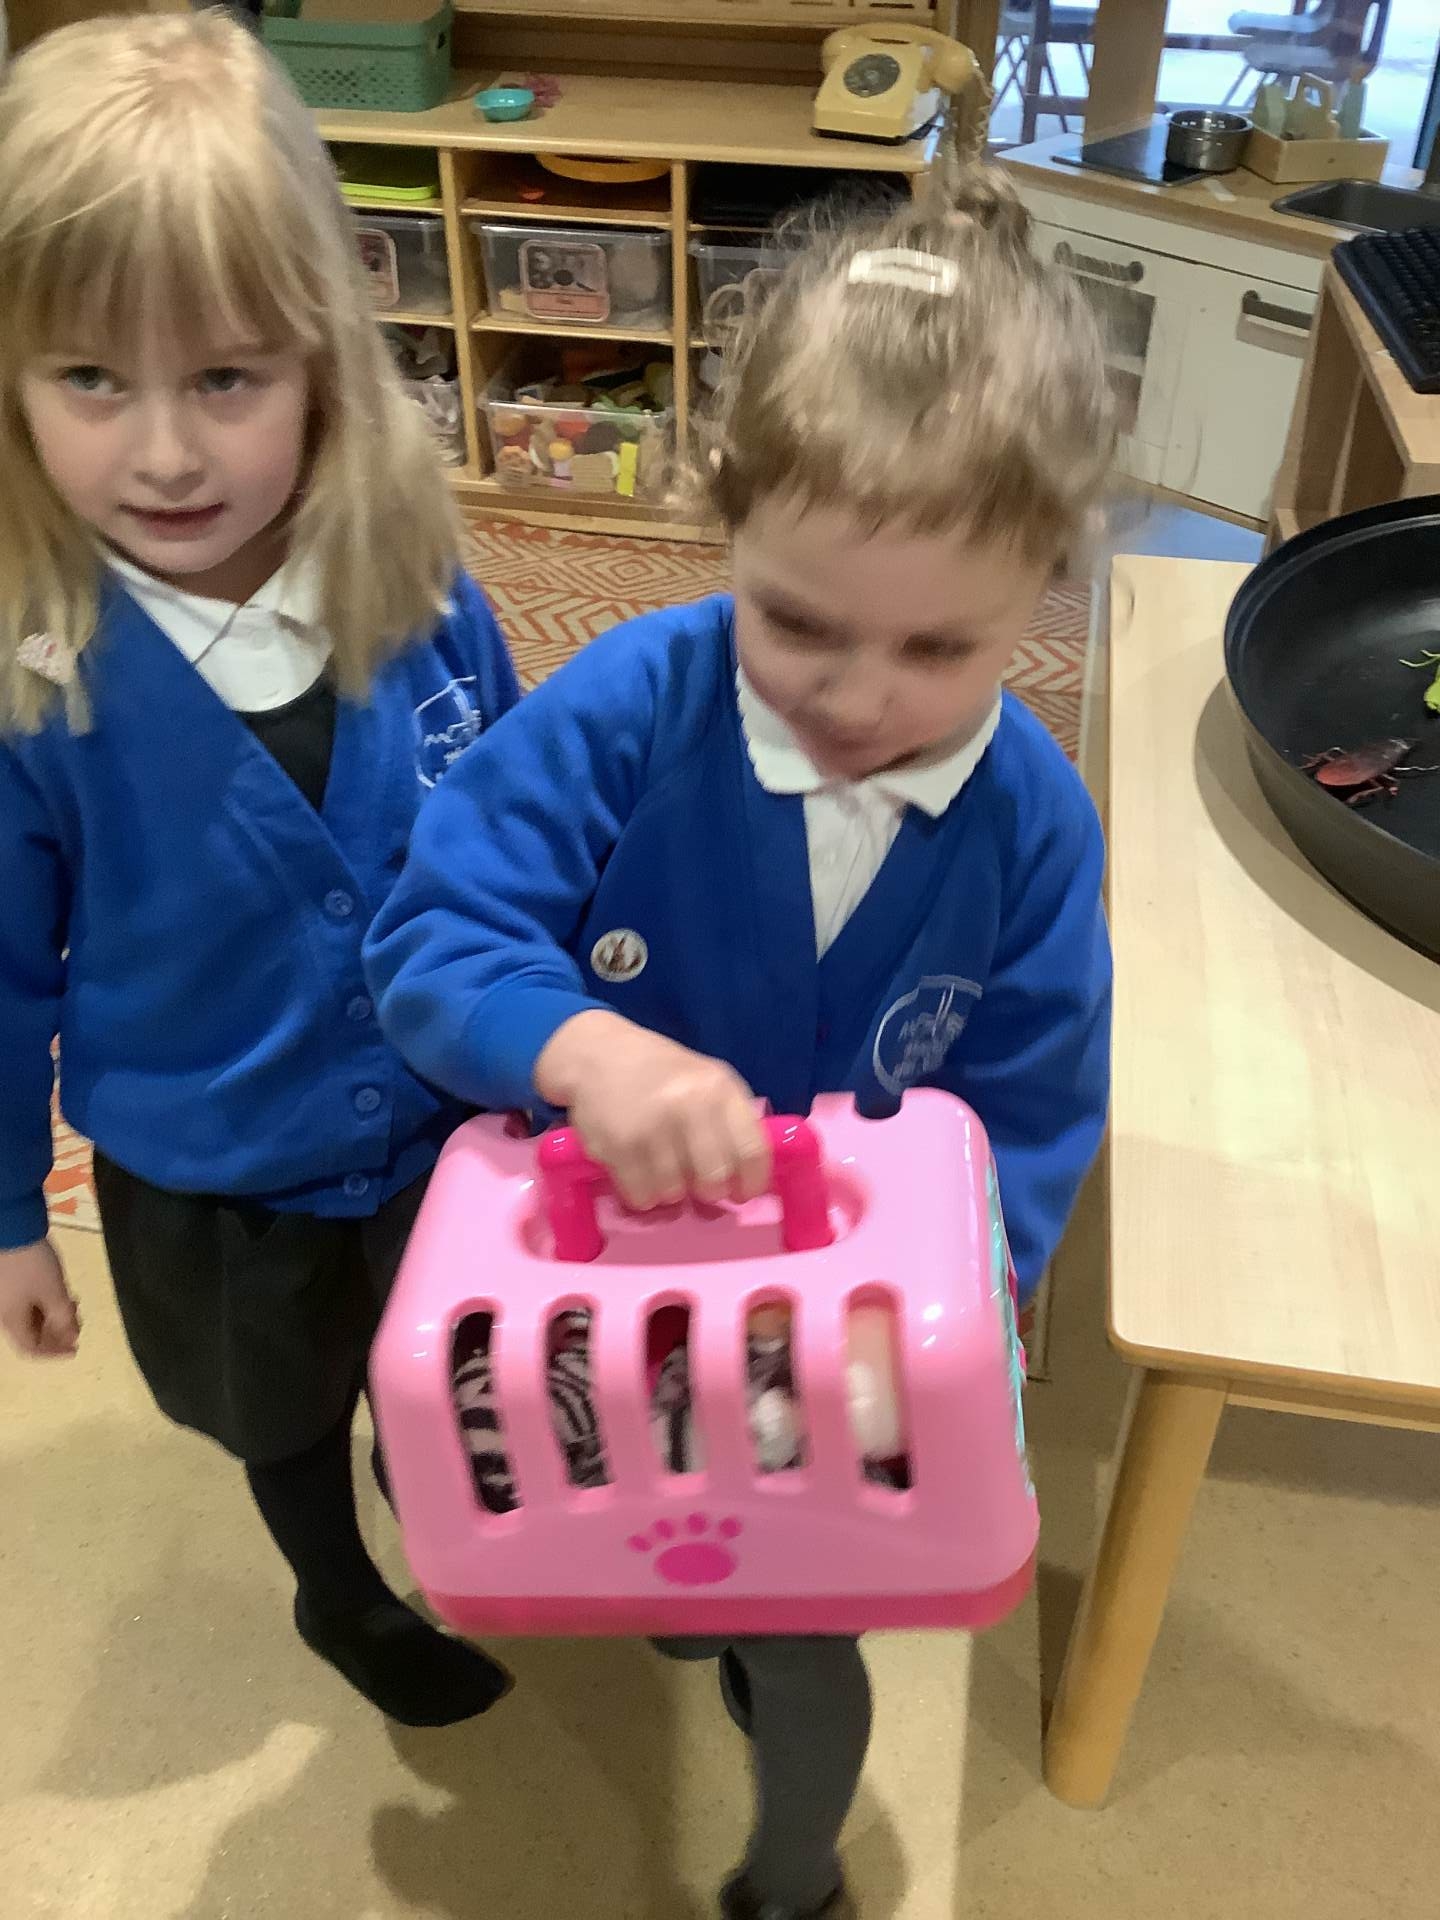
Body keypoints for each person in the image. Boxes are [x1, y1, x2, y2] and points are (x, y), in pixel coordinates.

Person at [365, 159, 1117, 1918]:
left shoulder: (1034, 819)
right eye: (800, 622)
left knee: (801, 1639)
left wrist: (982, 1297)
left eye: (939, 647)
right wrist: (578, 1047)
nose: (858, 698)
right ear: (723, 523)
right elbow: (435, 938)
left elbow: (1035, 1098)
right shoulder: (631, 706)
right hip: (599, 1288)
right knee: (514, 1493)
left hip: (829, 1349)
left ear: (1046, 591)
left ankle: (793, 1881)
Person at [0, 14, 520, 1728]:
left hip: (449, 1144)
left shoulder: (422, 587)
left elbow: (527, 838)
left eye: (224, 378)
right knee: (280, 1415)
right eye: (91, 379)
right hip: (212, 1184)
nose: (163, 453)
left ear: (319, 365)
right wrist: (7, 1217)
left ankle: (460, 1518)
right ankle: (334, 1593)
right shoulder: (33, 682)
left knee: (453, 1381)